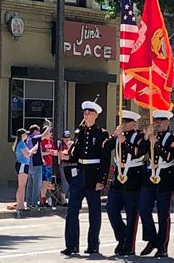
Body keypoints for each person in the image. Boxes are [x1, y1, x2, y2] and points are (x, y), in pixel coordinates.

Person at [60, 101, 109, 256]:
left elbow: (105, 159)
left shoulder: (102, 134)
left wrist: (102, 180)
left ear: (95, 115)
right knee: (72, 210)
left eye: (89, 113)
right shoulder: (80, 133)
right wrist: (66, 156)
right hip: (80, 174)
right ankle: (72, 244)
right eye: (84, 113)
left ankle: (93, 244)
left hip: (94, 176)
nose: (86, 115)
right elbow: (76, 155)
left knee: (94, 212)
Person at [103, 110, 150, 256]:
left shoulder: (140, 136)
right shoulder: (118, 135)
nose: (123, 124)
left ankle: (129, 246)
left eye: (126, 122)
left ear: (134, 123)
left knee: (132, 214)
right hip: (118, 177)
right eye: (122, 121)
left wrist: (125, 142)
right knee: (111, 209)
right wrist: (114, 136)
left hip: (134, 177)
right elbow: (105, 148)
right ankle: (122, 237)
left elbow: (139, 152)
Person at [139, 110, 174, 258]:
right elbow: (140, 152)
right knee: (143, 208)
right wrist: (146, 137)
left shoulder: (172, 139)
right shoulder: (151, 136)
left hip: (165, 177)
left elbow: (169, 157)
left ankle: (162, 246)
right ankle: (151, 239)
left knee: (163, 214)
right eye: (155, 121)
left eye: (160, 121)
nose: (157, 124)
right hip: (150, 175)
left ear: (167, 122)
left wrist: (156, 144)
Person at [8, 128, 39, 211]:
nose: (27, 135)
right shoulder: (21, 143)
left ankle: (21, 204)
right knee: (21, 186)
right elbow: (27, 154)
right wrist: (34, 148)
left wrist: (32, 151)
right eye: (25, 134)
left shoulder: (22, 143)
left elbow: (28, 153)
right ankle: (19, 205)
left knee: (22, 186)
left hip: (24, 164)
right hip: (22, 164)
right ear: (22, 135)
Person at [26, 124, 51, 208]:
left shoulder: (28, 138)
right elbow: (45, 135)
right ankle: (34, 203)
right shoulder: (35, 138)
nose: (40, 132)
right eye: (38, 130)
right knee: (37, 185)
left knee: (30, 184)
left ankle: (29, 202)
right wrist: (49, 125)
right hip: (36, 164)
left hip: (29, 163)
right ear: (35, 131)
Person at [40, 126, 55, 207]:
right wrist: (48, 153)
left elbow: (53, 151)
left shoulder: (51, 141)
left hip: (50, 163)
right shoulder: (41, 141)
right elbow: (40, 153)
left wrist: (54, 152)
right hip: (44, 163)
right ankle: (42, 198)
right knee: (44, 181)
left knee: (48, 182)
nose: (51, 133)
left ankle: (46, 199)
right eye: (49, 131)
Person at [57, 130, 73, 206]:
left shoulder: (72, 144)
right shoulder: (61, 145)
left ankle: (71, 200)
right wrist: (69, 156)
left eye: (68, 137)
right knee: (65, 181)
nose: (67, 139)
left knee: (72, 182)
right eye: (65, 137)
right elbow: (62, 156)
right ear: (62, 138)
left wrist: (69, 156)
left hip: (72, 165)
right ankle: (63, 200)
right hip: (64, 165)